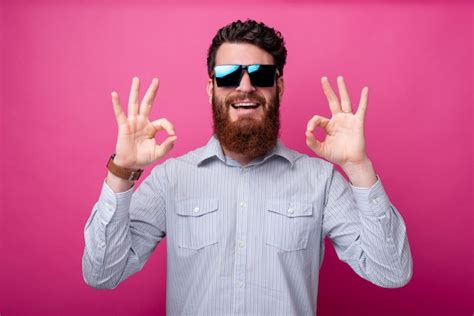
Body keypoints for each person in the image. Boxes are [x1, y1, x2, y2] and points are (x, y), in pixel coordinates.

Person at [82, 19, 413, 315]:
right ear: (211, 88)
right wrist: (122, 169)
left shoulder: (321, 181)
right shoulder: (171, 179)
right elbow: (103, 274)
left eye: (261, 74)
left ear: (278, 87)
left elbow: (391, 272)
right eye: (227, 76)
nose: (244, 86)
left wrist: (358, 167)